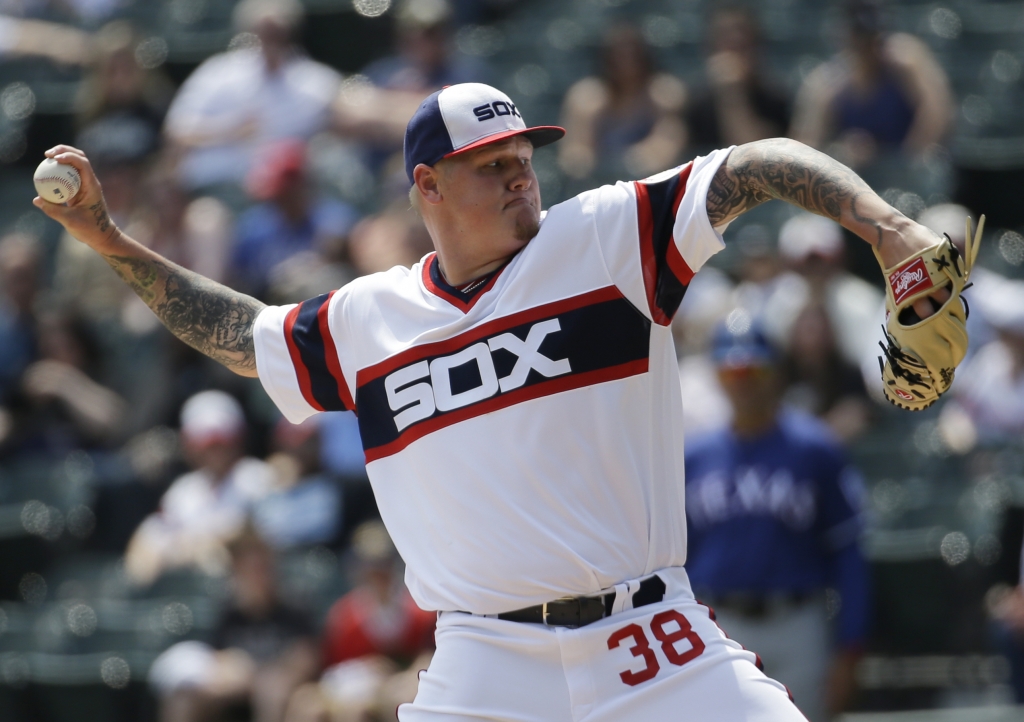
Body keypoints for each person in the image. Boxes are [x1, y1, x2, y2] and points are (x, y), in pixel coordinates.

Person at [38, 78, 954, 720]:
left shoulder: (603, 241)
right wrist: (110, 239)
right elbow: (241, 336)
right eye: (491, 164)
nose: (521, 175)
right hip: (483, 669)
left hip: (653, 644)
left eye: (524, 155)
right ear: (426, 187)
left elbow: (753, 165)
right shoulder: (369, 319)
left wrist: (889, 230)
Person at [684, 319, 870, 721]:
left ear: (776, 372)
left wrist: (849, 648)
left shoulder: (815, 448)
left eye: (754, 369)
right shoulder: (693, 457)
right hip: (718, 626)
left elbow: (849, 554)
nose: (743, 381)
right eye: (732, 370)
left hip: (798, 623)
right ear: (717, 375)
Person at [163, 0, 340, 194]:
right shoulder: (217, 74)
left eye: (278, 33)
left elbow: (347, 111)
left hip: (285, 191)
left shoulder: (313, 79)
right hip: (220, 186)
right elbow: (177, 131)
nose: (272, 41)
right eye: (265, 33)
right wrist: (230, 130)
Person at [149, 526, 319, 722]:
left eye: (260, 565)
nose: (254, 572)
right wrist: (232, 670)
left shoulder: (293, 606)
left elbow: (306, 661)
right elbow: (216, 657)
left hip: (283, 687)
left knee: (274, 691)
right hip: (237, 685)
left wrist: (259, 673)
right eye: (246, 565)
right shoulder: (229, 611)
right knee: (184, 698)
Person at [125, 390, 273, 585]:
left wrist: (200, 545)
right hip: (188, 599)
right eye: (206, 445)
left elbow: (261, 539)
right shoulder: (183, 490)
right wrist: (195, 548)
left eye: (221, 442)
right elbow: (144, 548)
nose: (215, 451)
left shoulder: (258, 478)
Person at [790, 0, 953, 170]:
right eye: (861, 39)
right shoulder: (827, 84)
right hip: (854, 177)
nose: (868, 48)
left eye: (873, 39)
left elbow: (938, 113)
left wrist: (907, 161)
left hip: (908, 175)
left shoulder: (905, 62)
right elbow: (806, 147)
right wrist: (839, 152)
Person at [558, 22, 687, 182]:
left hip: (652, 183)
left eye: (632, 54)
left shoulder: (664, 93)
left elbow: (667, 147)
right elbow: (574, 155)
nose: (625, 63)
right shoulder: (587, 97)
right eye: (618, 55)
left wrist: (630, 162)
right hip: (599, 186)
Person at [685, 5, 791, 155]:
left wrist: (733, 95)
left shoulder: (776, 99)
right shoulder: (694, 101)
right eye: (726, 37)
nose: (736, 39)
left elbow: (760, 158)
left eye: (743, 39)